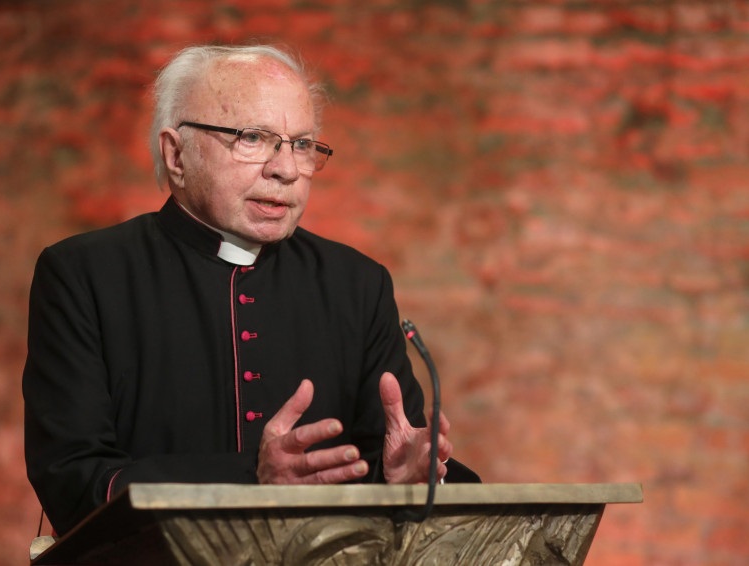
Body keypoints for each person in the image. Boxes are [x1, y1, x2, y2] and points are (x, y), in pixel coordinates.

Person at [23, 44, 478, 536]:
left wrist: (408, 481)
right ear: (176, 155)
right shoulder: (85, 275)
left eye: (302, 144)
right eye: (253, 138)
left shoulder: (357, 285)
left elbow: (391, 459)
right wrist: (251, 479)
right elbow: (72, 482)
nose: (286, 169)